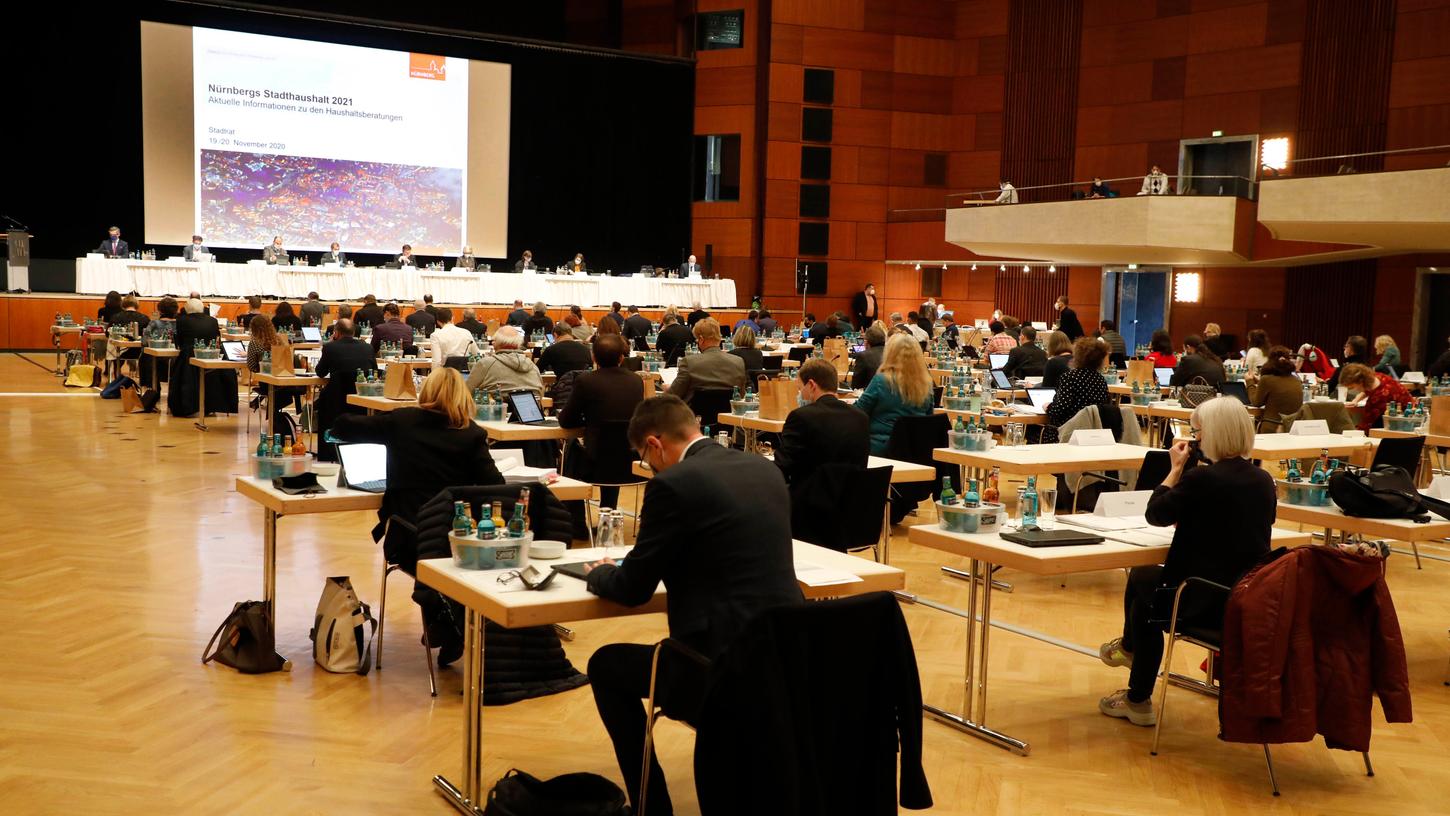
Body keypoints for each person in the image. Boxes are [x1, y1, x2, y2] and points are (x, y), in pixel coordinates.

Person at [1097, 397, 1273, 726]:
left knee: (1143, 583)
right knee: (1145, 595)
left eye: (1198, 431)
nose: (1196, 438)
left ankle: (1133, 665)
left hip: (1199, 598)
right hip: (1245, 596)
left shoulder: (1203, 479)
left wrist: (1174, 469)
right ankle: (1134, 686)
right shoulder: (1262, 480)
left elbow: (1156, 514)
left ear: (1213, 434)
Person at [331, 368, 504, 660]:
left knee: (427, 555)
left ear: (426, 393)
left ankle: (444, 620)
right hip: (456, 538)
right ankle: (446, 620)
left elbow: (343, 426)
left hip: (407, 535)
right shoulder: (472, 433)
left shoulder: (402, 421)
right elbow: (496, 486)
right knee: (440, 555)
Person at [558, 334, 646, 525]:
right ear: (622, 358)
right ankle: (608, 514)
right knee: (612, 446)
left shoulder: (586, 380)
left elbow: (566, 421)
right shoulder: (636, 381)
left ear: (593, 358)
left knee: (571, 451)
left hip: (594, 462)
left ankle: (577, 522)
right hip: (630, 462)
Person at [776, 359, 869, 488]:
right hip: (852, 501)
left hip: (810, 501)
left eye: (800, 388)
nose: (800, 394)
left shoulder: (801, 417)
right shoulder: (861, 418)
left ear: (811, 385)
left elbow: (782, 467)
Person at [854, 333, 935, 454]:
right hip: (915, 450)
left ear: (890, 354)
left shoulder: (881, 381)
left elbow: (858, 411)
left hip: (880, 448)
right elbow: (928, 420)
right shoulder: (926, 385)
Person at [313, 318, 377, 461]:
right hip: (362, 399)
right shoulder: (367, 347)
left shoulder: (330, 347)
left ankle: (327, 453)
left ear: (336, 333)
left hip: (336, 399)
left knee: (321, 402)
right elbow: (374, 370)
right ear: (354, 332)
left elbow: (320, 372)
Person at [168, 299, 234, 418]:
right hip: (210, 356)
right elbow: (216, 337)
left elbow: (181, 340)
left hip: (189, 356)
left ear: (187, 309)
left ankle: (186, 406)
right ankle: (211, 406)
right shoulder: (213, 321)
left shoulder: (182, 320)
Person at [668, 318, 748, 403]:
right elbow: (741, 396)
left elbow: (672, 396)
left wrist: (667, 389)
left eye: (697, 340)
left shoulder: (689, 362)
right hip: (727, 414)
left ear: (701, 339)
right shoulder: (738, 362)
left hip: (694, 415)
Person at [246, 314, 305, 420]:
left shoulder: (254, 343)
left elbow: (251, 366)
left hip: (267, 383)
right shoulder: (279, 340)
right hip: (283, 382)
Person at [1046, 337, 1110, 432]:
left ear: (1078, 356)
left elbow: (1060, 409)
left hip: (1068, 431)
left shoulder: (1070, 377)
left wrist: (1048, 407)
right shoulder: (1101, 380)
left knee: (1032, 431)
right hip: (1093, 431)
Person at [467, 326, 543, 397]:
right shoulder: (533, 367)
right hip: (531, 409)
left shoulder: (485, 364)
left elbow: (465, 392)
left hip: (496, 410)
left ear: (495, 344)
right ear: (519, 343)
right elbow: (541, 393)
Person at [1340, 363, 1413, 432]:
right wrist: (1355, 400)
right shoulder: (1377, 377)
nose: (1354, 390)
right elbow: (1366, 391)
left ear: (1360, 382)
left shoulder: (1379, 397)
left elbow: (1368, 426)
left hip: (1405, 423)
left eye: (1352, 387)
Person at [1248, 346, 1303, 432]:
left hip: (1271, 428)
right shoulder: (1296, 380)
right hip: (1291, 429)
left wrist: (1249, 382)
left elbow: (1256, 402)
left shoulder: (1266, 379)